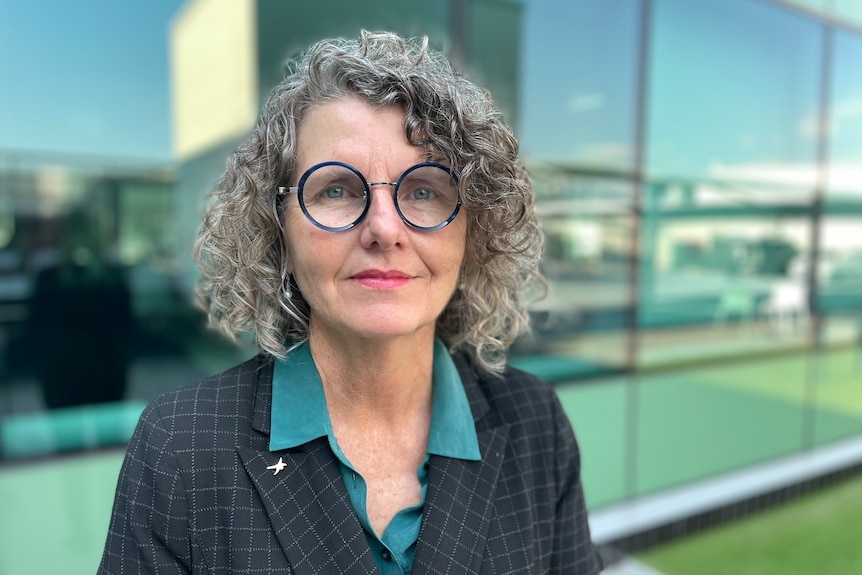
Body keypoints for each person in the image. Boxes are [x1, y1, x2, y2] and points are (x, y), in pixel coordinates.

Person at [99, 30, 603, 574]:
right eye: (337, 189)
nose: (385, 229)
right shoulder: (182, 446)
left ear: (472, 232)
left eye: (425, 190)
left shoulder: (536, 425)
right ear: (279, 231)